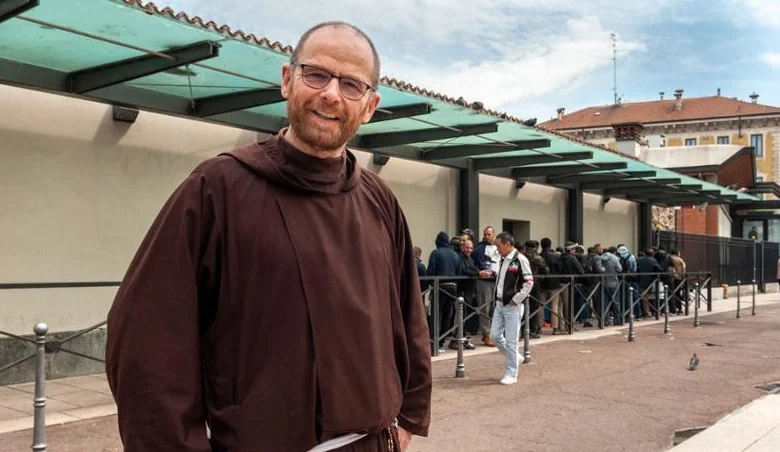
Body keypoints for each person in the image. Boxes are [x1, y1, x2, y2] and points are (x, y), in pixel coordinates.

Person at [105, 21, 431, 452]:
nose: (331, 94)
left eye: (351, 85)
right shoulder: (216, 189)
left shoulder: (380, 201)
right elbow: (148, 343)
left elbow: (409, 316)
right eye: (316, 74)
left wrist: (408, 414)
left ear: (369, 106)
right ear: (286, 80)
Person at [490, 232, 534, 385]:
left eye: (499, 245)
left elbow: (529, 282)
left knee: (511, 340)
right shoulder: (502, 259)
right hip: (500, 303)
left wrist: (516, 299)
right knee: (494, 335)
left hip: (512, 305)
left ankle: (511, 373)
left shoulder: (520, 260)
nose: (497, 248)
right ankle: (515, 358)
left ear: (508, 244)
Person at [473, 227, 500, 346]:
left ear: (494, 235)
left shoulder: (498, 247)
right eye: (485, 234)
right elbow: (479, 264)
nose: (486, 236)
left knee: (494, 307)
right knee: (485, 307)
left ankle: (493, 333)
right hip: (485, 280)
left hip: (496, 280)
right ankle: (486, 333)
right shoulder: (479, 249)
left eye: (489, 234)